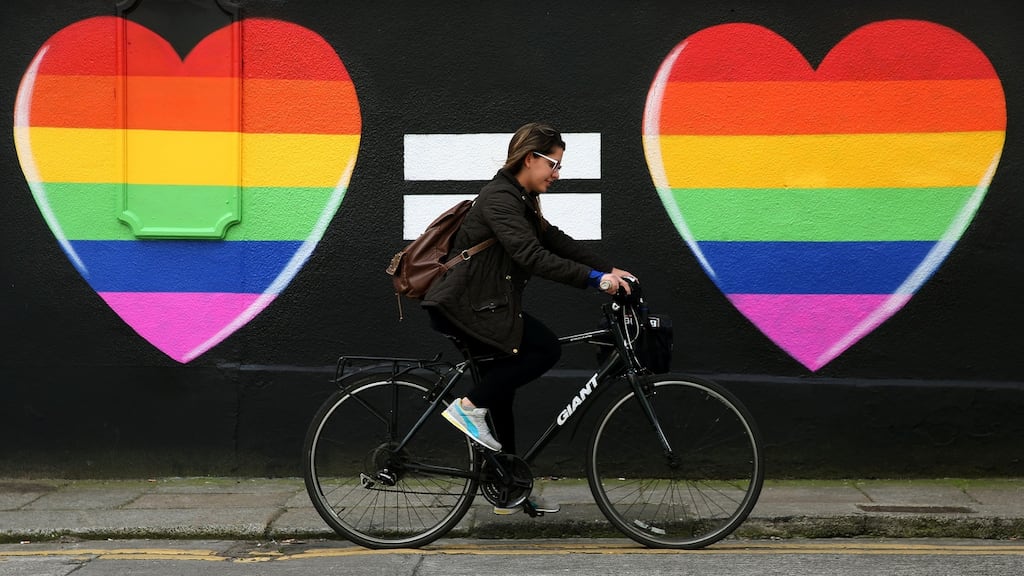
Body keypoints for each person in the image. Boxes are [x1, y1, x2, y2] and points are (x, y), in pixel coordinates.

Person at [421, 122, 635, 514]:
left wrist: (609, 269)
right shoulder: (500, 200)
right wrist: (595, 281)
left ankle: (507, 486)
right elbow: (532, 256)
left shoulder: (517, 197)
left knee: (501, 388)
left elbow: (553, 240)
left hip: (487, 305)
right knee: (544, 350)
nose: (556, 175)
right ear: (529, 158)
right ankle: (466, 409)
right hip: (467, 307)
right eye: (553, 165)